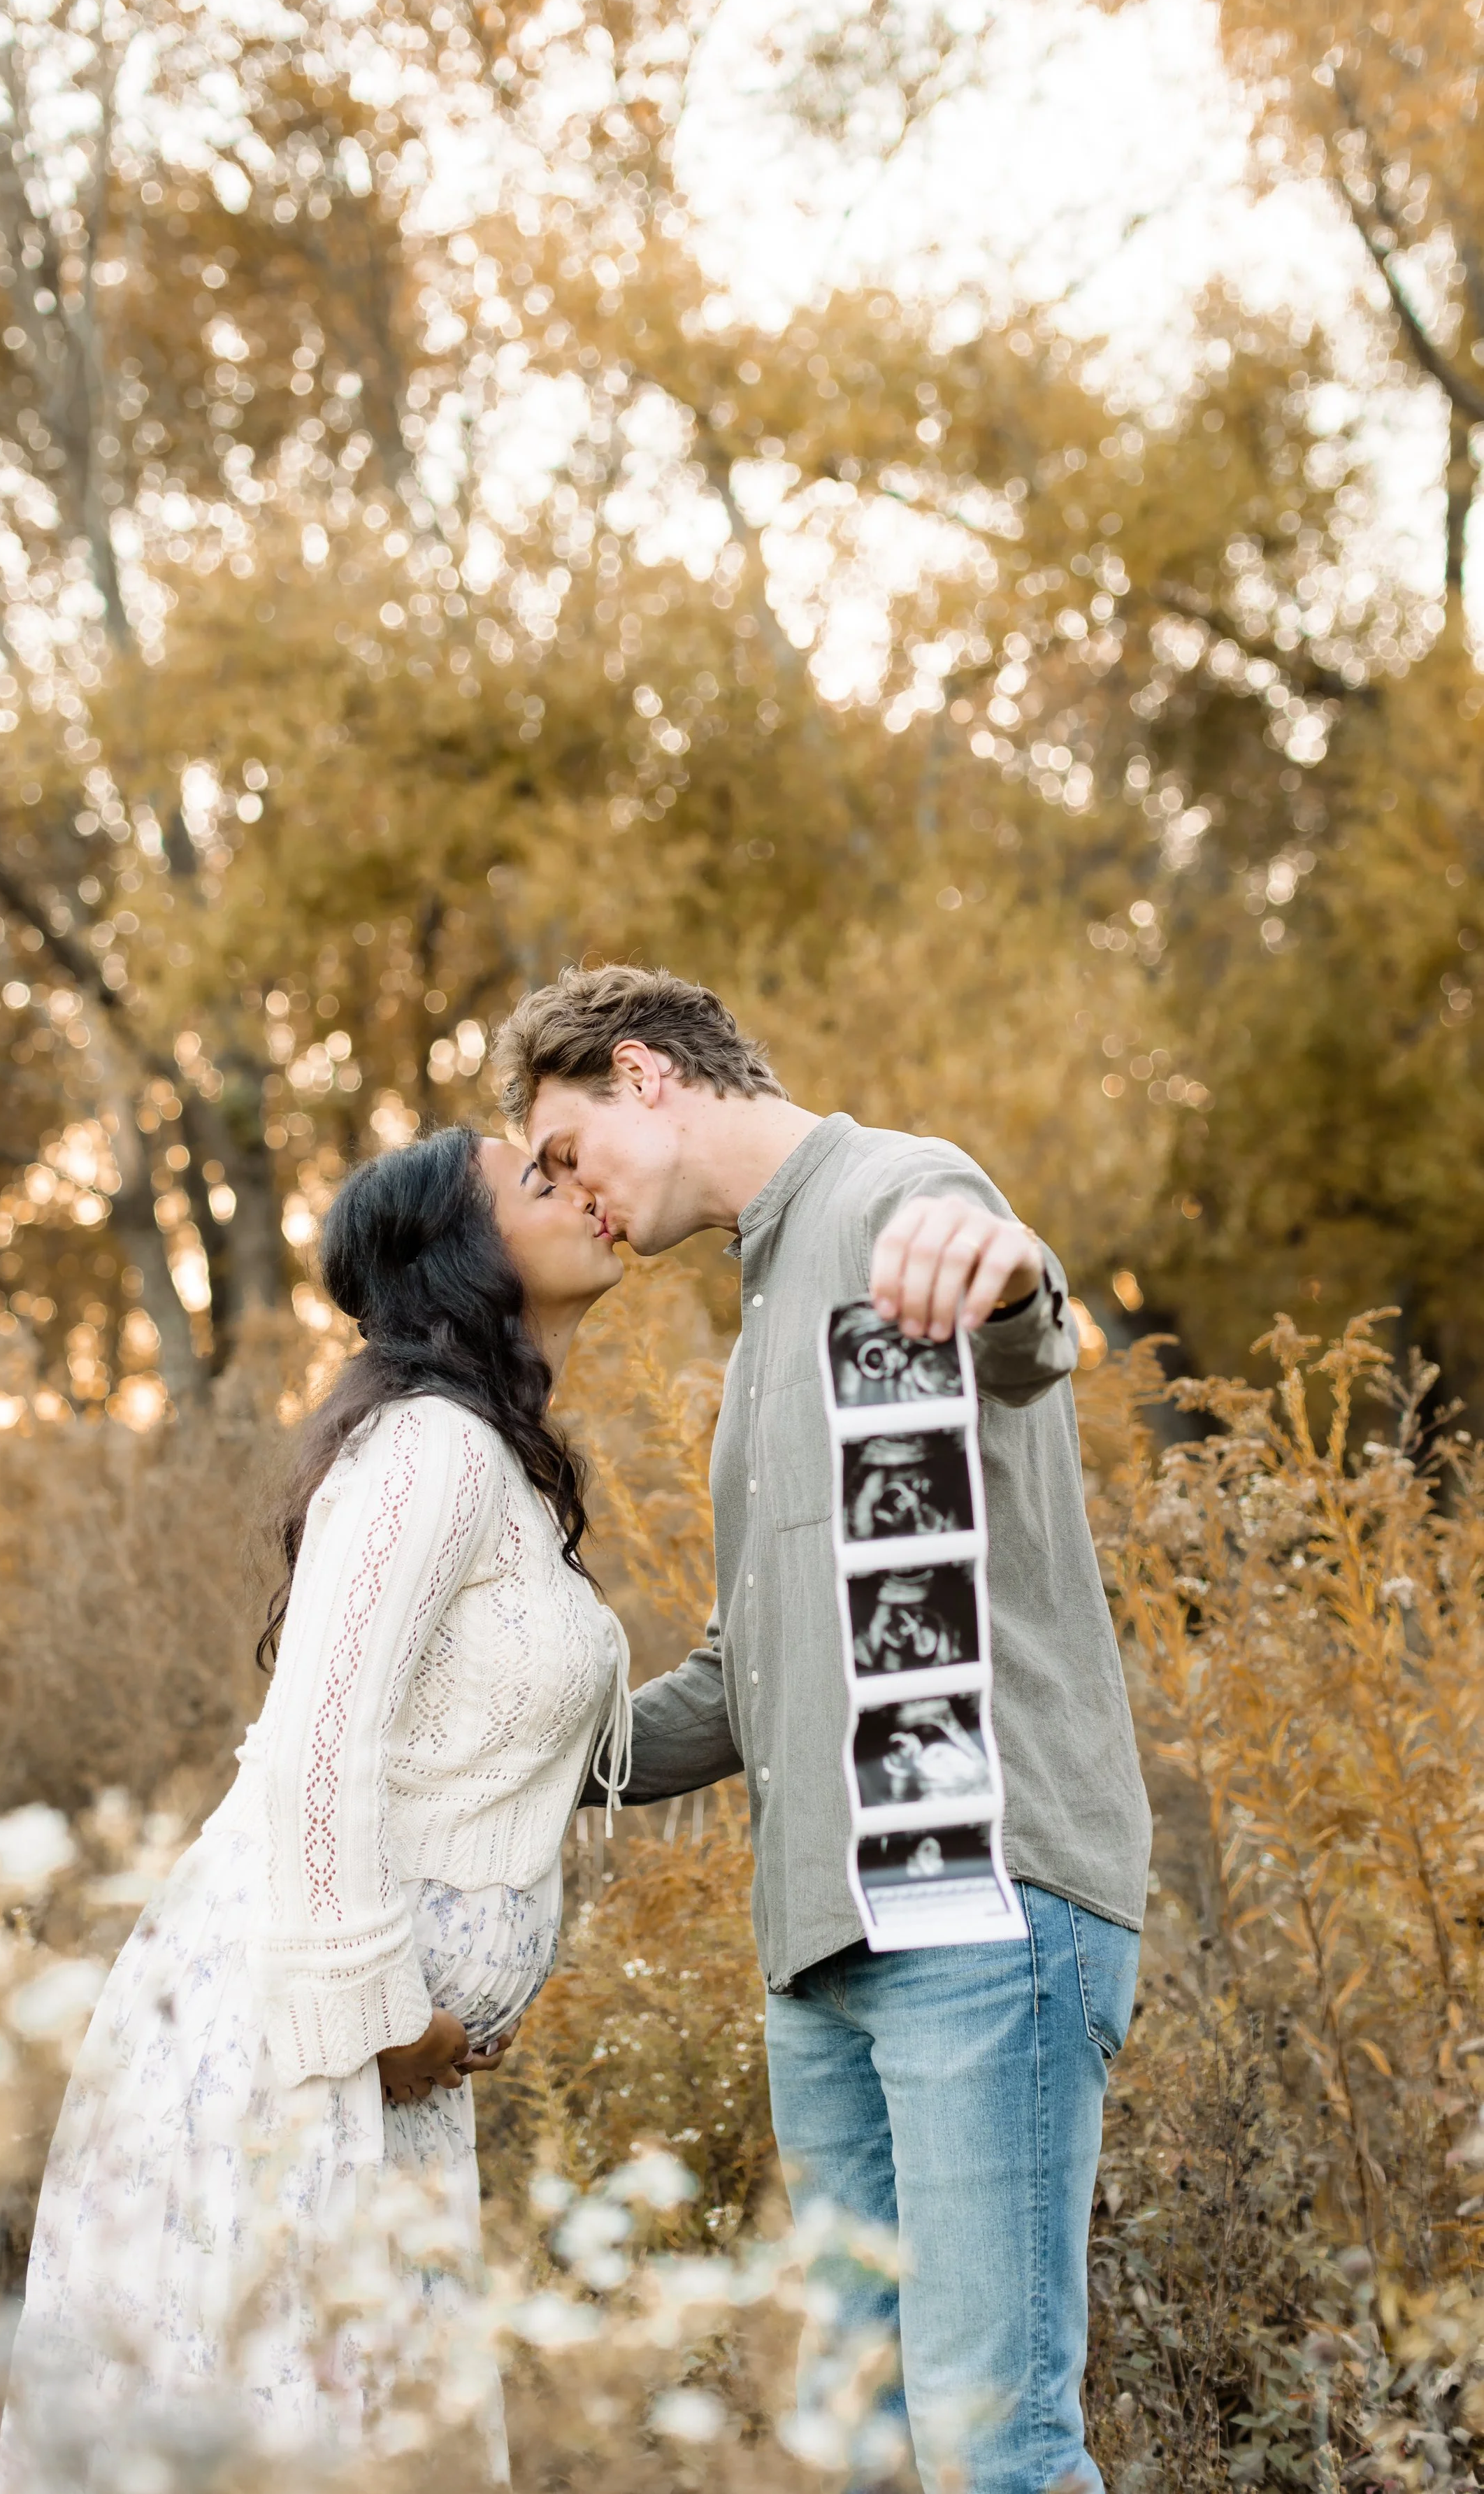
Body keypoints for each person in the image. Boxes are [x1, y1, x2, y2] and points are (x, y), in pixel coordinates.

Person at [492, 966, 1153, 2494]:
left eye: (566, 1149)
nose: (569, 1196)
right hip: (822, 1959)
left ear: (642, 1073)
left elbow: (1011, 1308)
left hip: (975, 1911)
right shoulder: (763, 1307)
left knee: (993, 2444)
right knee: (853, 2448)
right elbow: (744, 1680)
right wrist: (512, 1739)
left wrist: (999, 1266)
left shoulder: (891, 1191)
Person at [0, 1127, 631, 2488]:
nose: (583, 1190)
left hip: (360, 2054)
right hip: (298, 2036)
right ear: (459, 1252)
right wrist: (383, 2016)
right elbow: (313, 1742)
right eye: (539, 1178)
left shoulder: (493, 1460)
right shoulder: (428, 1450)